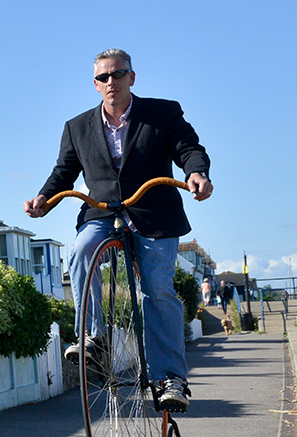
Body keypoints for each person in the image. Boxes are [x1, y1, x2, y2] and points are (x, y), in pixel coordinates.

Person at [24, 48, 211, 412]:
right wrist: (44, 197)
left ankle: (170, 377)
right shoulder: (77, 127)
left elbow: (188, 148)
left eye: (118, 74)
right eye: (104, 77)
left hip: (153, 212)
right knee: (81, 250)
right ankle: (94, 336)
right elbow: (64, 171)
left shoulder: (162, 112)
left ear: (132, 77)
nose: (112, 82)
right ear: (95, 84)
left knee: (156, 288)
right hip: (102, 212)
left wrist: (196, 173)